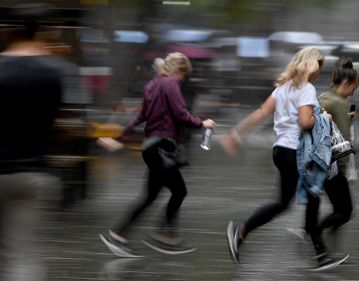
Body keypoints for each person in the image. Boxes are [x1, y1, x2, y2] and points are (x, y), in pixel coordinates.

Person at [220, 47, 346, 271]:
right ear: (312, 65)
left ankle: (241, 233)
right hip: (295, 151)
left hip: (280, 150)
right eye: (320, 66)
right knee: (312, 199)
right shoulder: (307, 89)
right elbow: (305, 122)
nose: (320, 72)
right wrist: (323, 117)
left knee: (284, 202)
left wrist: (236, 134)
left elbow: (261, 113)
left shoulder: (282, 89)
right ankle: (321, 255)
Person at [99, 52, 216, 257]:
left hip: (151, 148)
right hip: (162, 148)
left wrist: (117, 138)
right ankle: (164, 237)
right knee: (179, 191)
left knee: (150, 196)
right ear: (178, 70)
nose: (182, 79)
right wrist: (202, 123)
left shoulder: (152, 86)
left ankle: (119, 236)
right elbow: (180, 114)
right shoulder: (170, 84)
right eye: (183, 75)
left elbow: (138, 117)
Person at [0, 3, 63, 280]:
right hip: (35, 173)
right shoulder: (54, 72)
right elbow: (57, 119)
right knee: (22, 256)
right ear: (42, 31)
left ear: (9, 31)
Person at [313, 57, 359, 258]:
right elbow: (343, 136)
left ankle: (322, 244)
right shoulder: (340, 103)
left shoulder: (323, 97)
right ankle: (315, 233)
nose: (353, 92)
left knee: (339, 209)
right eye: (353, 88)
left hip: (317, 161)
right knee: (345, 211)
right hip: (333, 165)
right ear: (345, 83)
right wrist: (345, 165)